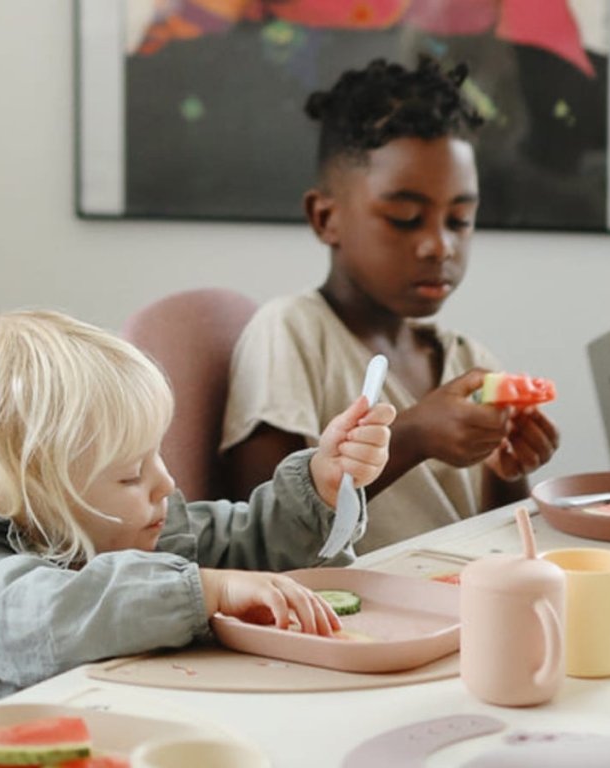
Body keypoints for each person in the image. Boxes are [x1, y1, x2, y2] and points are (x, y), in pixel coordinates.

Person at [0, 310, 396, 716]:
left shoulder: (127, 530)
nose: (165, 483)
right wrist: (209, 591)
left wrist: (322, 486)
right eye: (130, 474)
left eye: (157, 454)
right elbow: (60, 612)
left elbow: (248, 540)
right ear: (36, 493)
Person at [222, 57, 560, 552]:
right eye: (405, 217)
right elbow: (259, 529)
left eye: (460, 220)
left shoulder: (471, 363)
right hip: (347, 618)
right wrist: (414, 436)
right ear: (325, 218)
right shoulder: (291, 333)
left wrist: (507, 469)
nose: (439, 246)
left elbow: (499, 544)